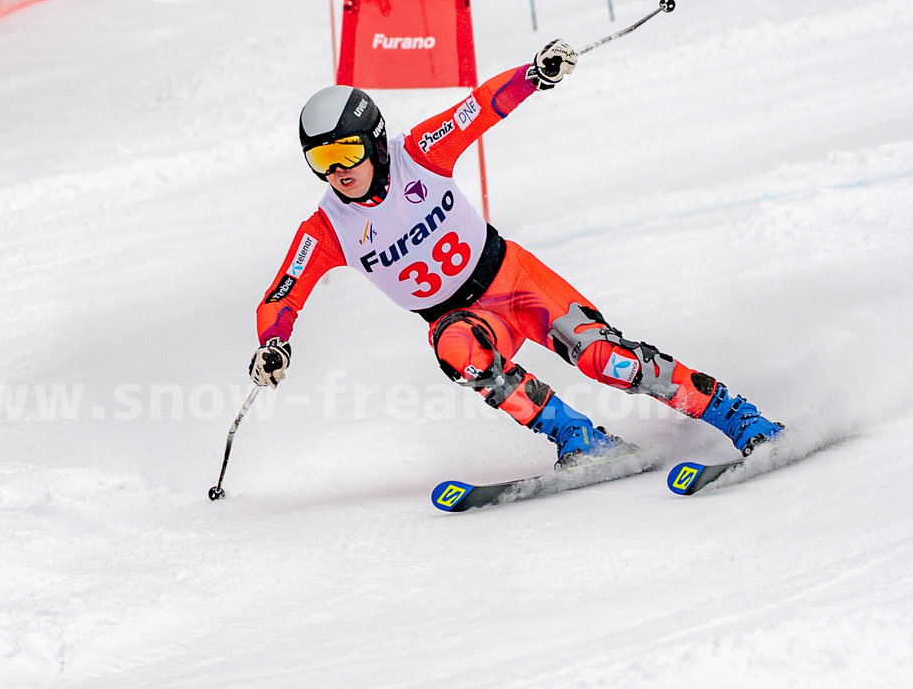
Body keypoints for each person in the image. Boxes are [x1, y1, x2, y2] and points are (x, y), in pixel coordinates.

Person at [249, 53, 783, 470]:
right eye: (320, 160)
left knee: (607, 361)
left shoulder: (419, 153)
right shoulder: (327, 229)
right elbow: (281, 295)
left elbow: (479, 107)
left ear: (375, 141)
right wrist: (273, 343)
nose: (337, 171)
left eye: (346, 152)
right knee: (456, 350)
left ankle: (738, 418)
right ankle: (579, 438)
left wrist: (534, 74)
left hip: (514, 279)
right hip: (464, 320)